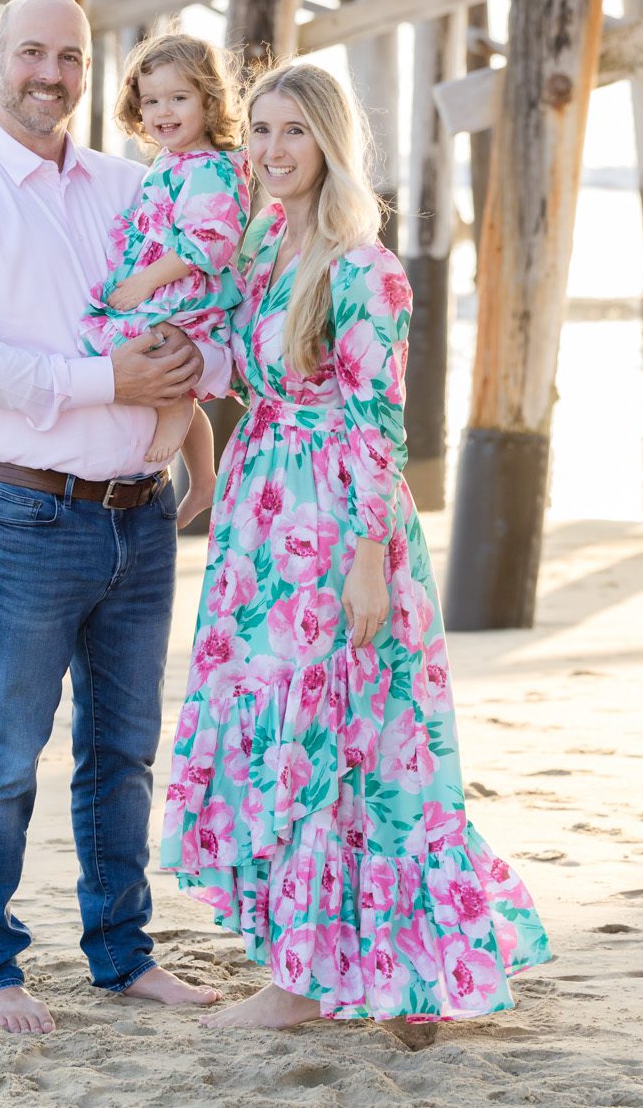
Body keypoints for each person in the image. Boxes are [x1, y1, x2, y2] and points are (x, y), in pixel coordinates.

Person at [160, 62, 553, 1035]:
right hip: (261, 528)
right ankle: (315, 964)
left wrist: (368, 558)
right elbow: (225, 358)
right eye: (257, 130)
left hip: (338, 524)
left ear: (329, 143)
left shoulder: (361, 268)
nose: (270, 150)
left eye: (292, 130)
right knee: (280, 737)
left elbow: (379, 421)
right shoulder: (261, 246)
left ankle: (306, 985)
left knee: (341, 745)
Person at [0, 0, 223, 1036]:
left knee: (123, 752)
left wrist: (189, 369)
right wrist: (104, 380)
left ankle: (122, 955)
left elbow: (205, 315)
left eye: (69, 57)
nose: (48, 74)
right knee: (3, 757)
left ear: (90, 72)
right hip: (27, 517)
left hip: (140, 514)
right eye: (29, 53)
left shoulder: (136, 186)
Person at [75, 32, 249, 533]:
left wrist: (142, 284)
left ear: (209, 101)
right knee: (165, 372)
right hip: (167, 284)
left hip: (184, 289)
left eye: (179, 98)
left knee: (159, 360)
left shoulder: (211, 167)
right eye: (151, 101)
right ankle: (204, 481)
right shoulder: (174, 162)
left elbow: (208, 243)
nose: (162, 111)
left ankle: (176, 428)